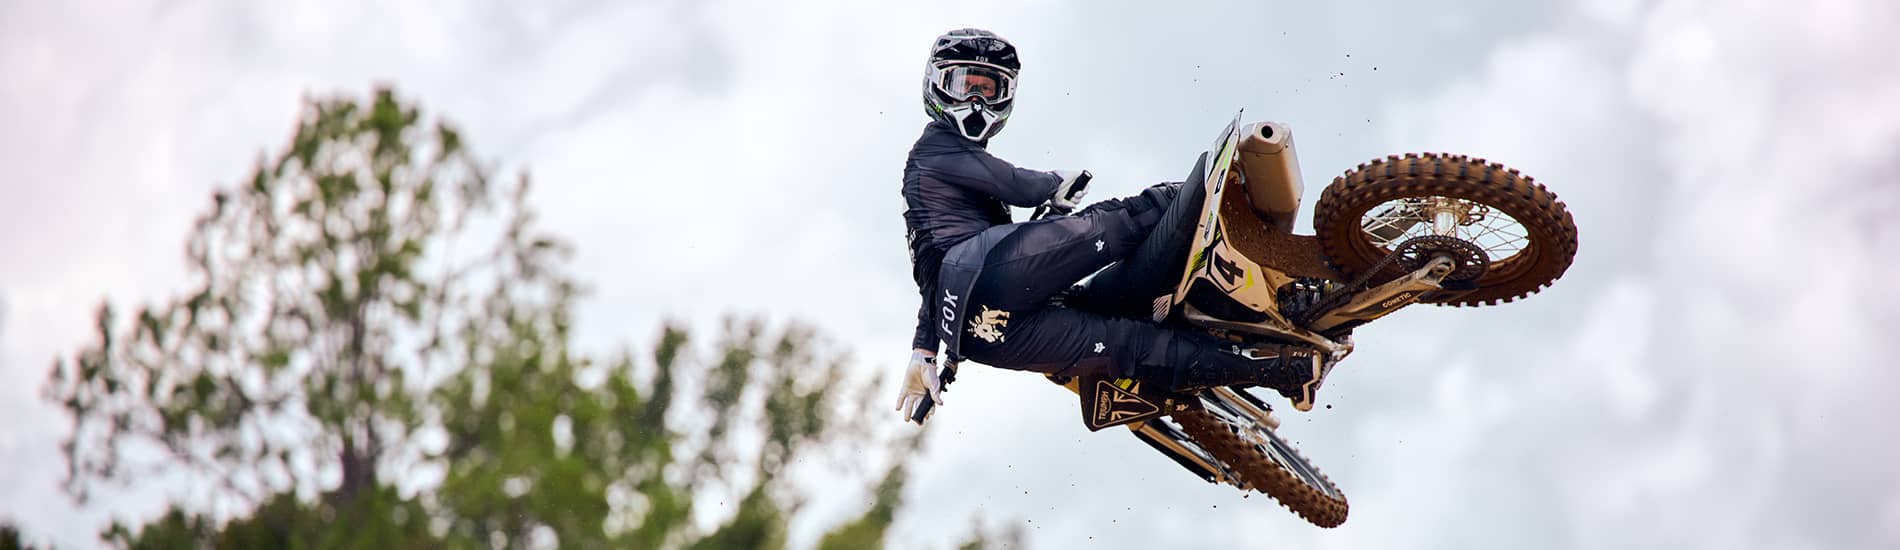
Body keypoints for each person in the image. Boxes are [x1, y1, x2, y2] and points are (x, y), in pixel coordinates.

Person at [895, 29, 1334, 424]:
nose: (977, 102)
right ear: (937, 86)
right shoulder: (935, 148)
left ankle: (1283, 370)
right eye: (964, 85)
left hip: (978, 336)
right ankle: (1252, 233)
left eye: (989, 90)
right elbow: (1012, 184)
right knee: (1119, 220)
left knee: (1128, 345)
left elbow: (936, 272)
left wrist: (925, 350)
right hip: (992, 275)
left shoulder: (938, 198)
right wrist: (1054, 185)